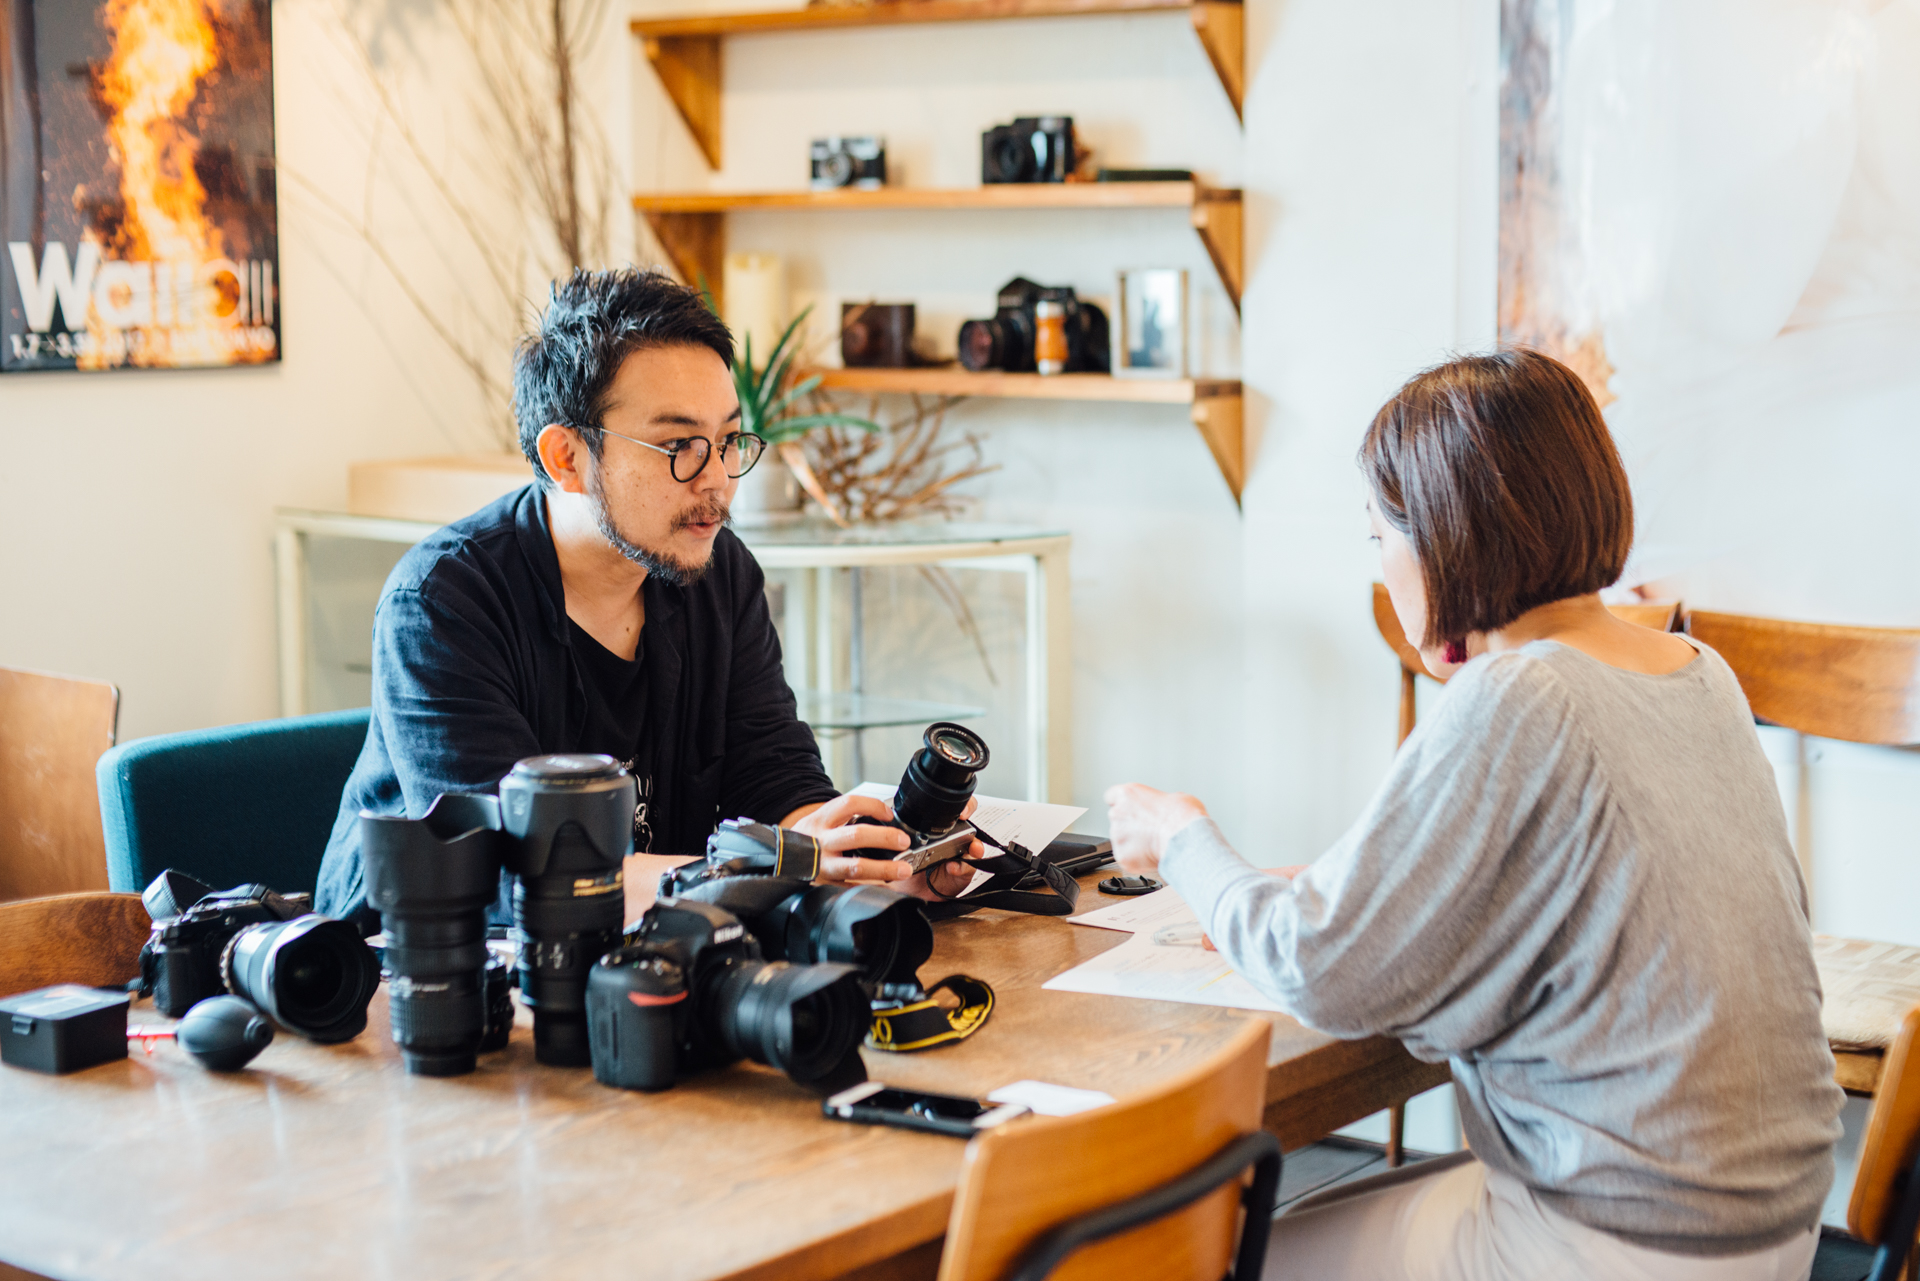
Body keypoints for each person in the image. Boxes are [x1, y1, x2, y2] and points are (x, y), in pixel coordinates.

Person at [1105, 349, 1844, 1280]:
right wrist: (1314, 887)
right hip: (1772, 1226)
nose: (1382, 564)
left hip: (1624, 1238)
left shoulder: (1521, 692)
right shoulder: (1697, 673)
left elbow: (1319, 968)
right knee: (1308, 1216)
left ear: (1443, 534)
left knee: (1212, 1255)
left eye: (1379, 535)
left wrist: (1183, 839)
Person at [316, 268, 966, 929]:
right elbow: (514, 873)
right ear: (566, 456)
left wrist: (871, 858)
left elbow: (777, 782)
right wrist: (772, 866)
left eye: (727, 441)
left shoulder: (717, 571)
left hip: (647, 958)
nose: (716, 482)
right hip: (409, 983)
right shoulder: (442, 603)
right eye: (678, 446)